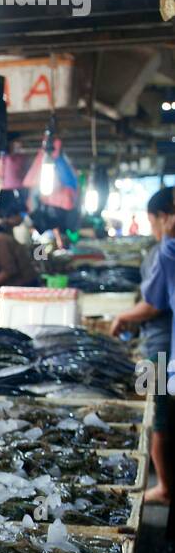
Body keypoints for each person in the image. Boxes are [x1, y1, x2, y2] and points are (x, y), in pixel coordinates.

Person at [111, 186, 174, 504]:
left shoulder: (165, 251)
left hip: (159, 349)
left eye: (152, 221)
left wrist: (122, 317)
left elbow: (153, 305)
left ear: (163, 218)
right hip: (162, 347)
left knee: (155, 415)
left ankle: (163, 487)